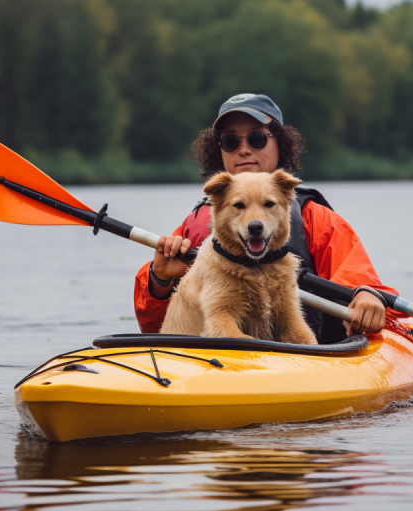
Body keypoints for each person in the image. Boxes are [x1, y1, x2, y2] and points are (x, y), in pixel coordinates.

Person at [133, 93, 396, 342]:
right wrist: (160, 281)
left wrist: (366, 295)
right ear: (220, 151)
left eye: (257, 138)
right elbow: (154, 328)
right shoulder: (195, 224)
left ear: (280, 144)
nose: (244, 150)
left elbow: (358, 276)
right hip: (206, 362)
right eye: (231, 142)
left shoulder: (314, 218)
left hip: (300, 361)